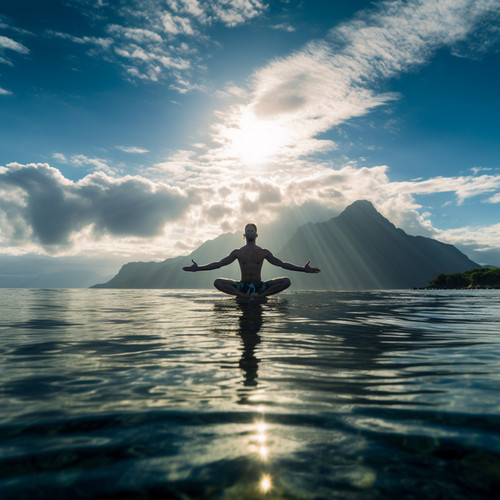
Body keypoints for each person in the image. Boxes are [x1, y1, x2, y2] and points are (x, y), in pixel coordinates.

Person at [182, 223, 320, 299]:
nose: (249, 232)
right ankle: (244, 296)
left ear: (256, 234)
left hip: (260, 287)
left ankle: (260, 296)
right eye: (247, 231)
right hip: (242, 285)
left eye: (252, 230)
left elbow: (282, 264)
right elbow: (219, 264)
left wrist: (303, 269)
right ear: (244, 235)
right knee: (217, 282)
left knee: (286, 281)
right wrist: (198, 268)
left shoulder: (263, 252)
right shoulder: (237, 252)